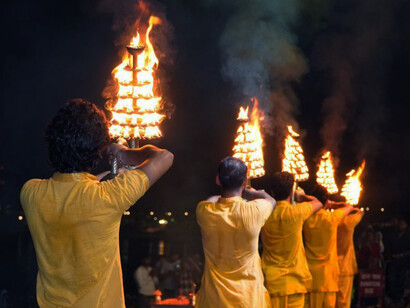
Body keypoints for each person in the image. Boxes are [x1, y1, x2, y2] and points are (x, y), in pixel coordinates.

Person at [20, 99, 174, 308]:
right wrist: (125, 153)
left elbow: (78, 188)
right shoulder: (108, 197)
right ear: (97, 150)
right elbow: (164, 157)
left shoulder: (30, 193)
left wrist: (117, 173)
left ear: (52, 143)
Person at [195, 157, 275, 308]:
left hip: (213, 300)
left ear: (218, 180)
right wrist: (250, 193)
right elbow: (270, 200)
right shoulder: (255, 210)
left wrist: (236, 194)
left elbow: (212, 199)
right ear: (245, 182)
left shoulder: (204, 210)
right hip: (248, 299)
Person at [261, 172, 323, 308]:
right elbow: (318, 203)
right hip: (295, 284)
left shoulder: (263, 213)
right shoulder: (296, 212)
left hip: (271, 283)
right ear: (291, 192)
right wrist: (301, 196)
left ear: (272, 191)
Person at [303, 187, 355, 308]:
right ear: (326, 202)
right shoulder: (332, 218)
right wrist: (332, 204)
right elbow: (349, 207)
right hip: (328, 280)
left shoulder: (305, 218)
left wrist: (323, 203)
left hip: (311, 278)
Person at [335, 206, 364, 308]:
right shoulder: (348, 222)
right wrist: (351, 208)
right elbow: (361, 212)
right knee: (343, 301)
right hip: (345, 267)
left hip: (330, 266)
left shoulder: (330, 220)